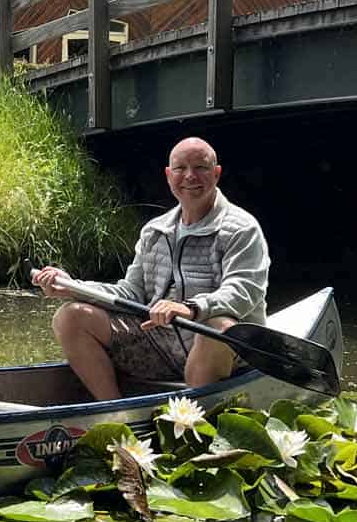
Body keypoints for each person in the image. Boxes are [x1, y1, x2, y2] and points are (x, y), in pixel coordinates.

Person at [31, 136, 268, 401]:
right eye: (180, 168)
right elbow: (130, 293)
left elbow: (243, 291)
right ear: (168, 175)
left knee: (219, 328)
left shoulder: (242, 228)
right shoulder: (155, 231)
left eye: (200, 167)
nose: (190, 176)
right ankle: (115, 412)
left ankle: (195, 419)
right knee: (70, 316)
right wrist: (73, 287)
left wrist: (191, 308)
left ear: (217, 173)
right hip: (160, 342)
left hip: (218, 349)